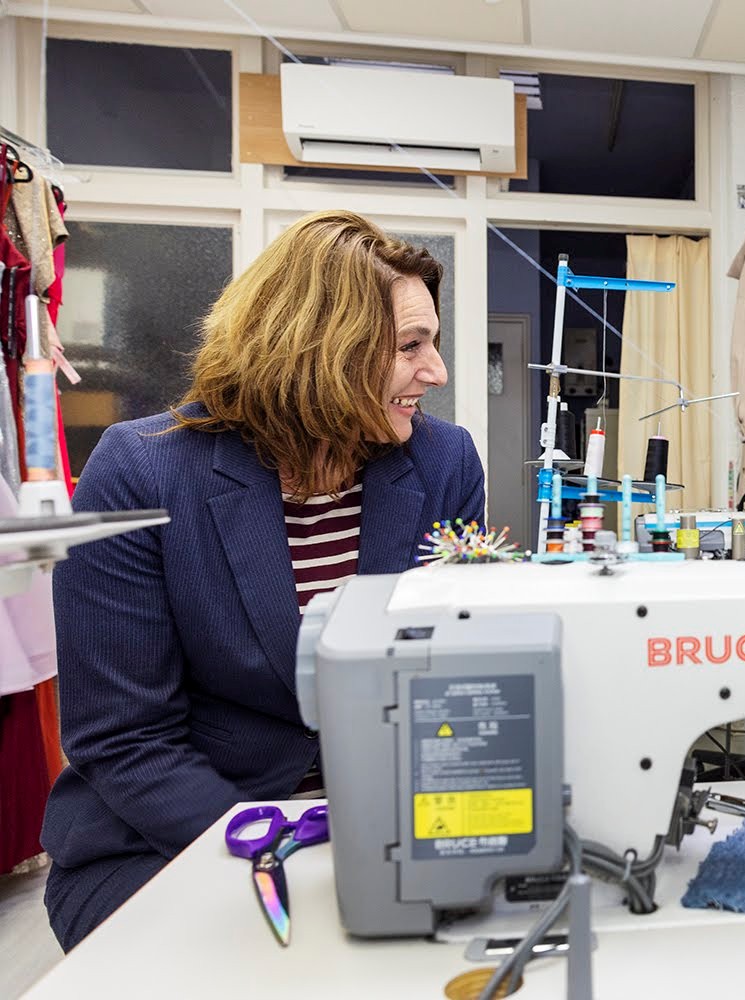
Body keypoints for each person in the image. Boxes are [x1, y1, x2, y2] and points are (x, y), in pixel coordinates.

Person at [40, 210, 485, 951]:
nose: (435, 372)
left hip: (381, 834)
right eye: (412, 347)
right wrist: (294, 856)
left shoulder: (443, 463)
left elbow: (452, 678)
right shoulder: (140, 474)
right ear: (321, 349)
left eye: (431, 343)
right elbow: (124, 740)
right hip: (168, 840)